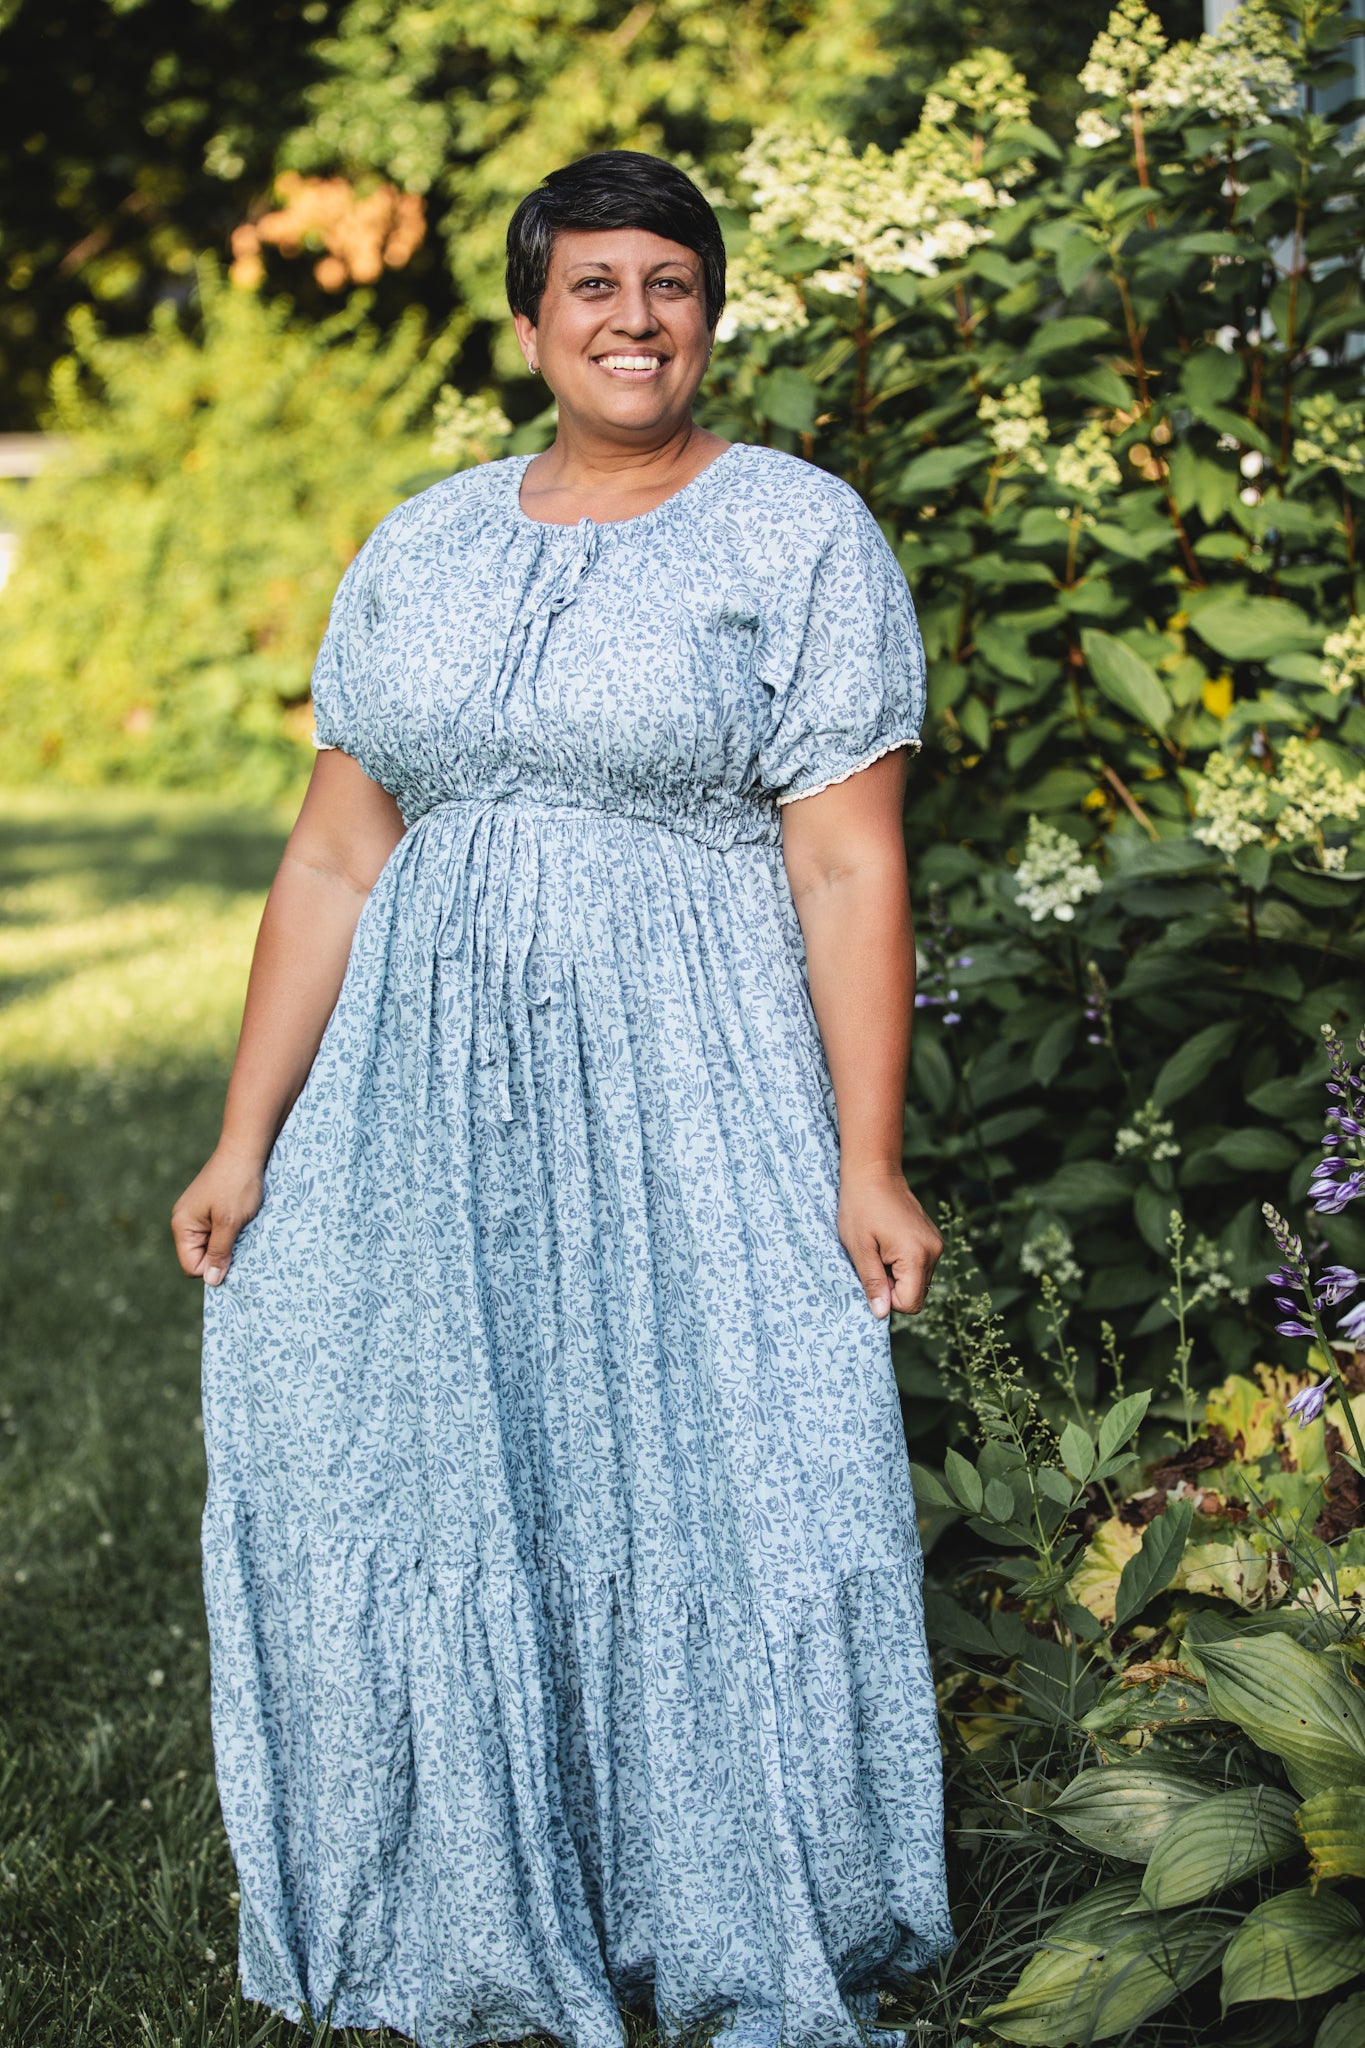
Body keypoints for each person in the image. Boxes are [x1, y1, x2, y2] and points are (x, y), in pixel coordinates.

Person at [172, 148, 952, 2048]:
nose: (630, 315)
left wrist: (868, 1156)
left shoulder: (794, 533)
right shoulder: (422, 542)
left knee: (711, 1463)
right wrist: (243, 1130)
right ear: (529, 322)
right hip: (416, 1111)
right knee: (441, 1463)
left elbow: (848, 868)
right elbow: (335, 860)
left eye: (667, 282)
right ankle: (467, 1885)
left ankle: (727, 1893)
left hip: (690, 1092)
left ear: (709, 316)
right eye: (590, 283)